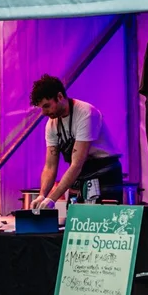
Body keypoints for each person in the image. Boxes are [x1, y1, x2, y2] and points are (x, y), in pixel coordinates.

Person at [32, 74, 124, 208]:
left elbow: (76, 164)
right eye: (41, 108)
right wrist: (42, 195)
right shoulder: (51, 125)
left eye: (47, 106)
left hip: (104, 173)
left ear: (60, 97)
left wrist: (52, 199)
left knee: (101, 218)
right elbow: (50, 166)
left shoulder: (86, 113)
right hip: (80, 175)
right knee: (74, 216)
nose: (44, 113)